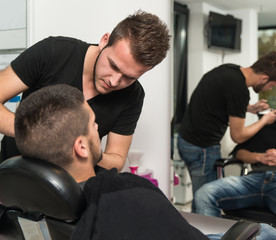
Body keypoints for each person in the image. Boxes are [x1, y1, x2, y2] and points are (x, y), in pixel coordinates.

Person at [13, 84, 276, 240]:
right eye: (94, 125)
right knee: (267, 233)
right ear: (81, 146)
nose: (98, 129)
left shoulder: (23, 197)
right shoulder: (127, 196)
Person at [0, 10, 171, 172]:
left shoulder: (132, 95)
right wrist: (40, 134)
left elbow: (117, 161)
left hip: (65, 191)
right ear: (104, 40)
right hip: (12, 175)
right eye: (113, 65)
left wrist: (89, 148)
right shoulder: (53, 52)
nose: (114, 81)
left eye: (129, 77)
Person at [177, 51, 276, 197]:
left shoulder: (230, 70)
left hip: (185, 139)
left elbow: (219, 102)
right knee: (205, 200)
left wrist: (249, 108)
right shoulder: (240, 90)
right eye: (271, 86)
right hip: (202, 149)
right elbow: (238, 136)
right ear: (264, 78)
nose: (269, 89)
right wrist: (264, 120)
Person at [193, 90, 276, 233]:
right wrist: (260, 157)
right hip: (255, 179)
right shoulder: (266, 127)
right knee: (204, 193)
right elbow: (239, 153)